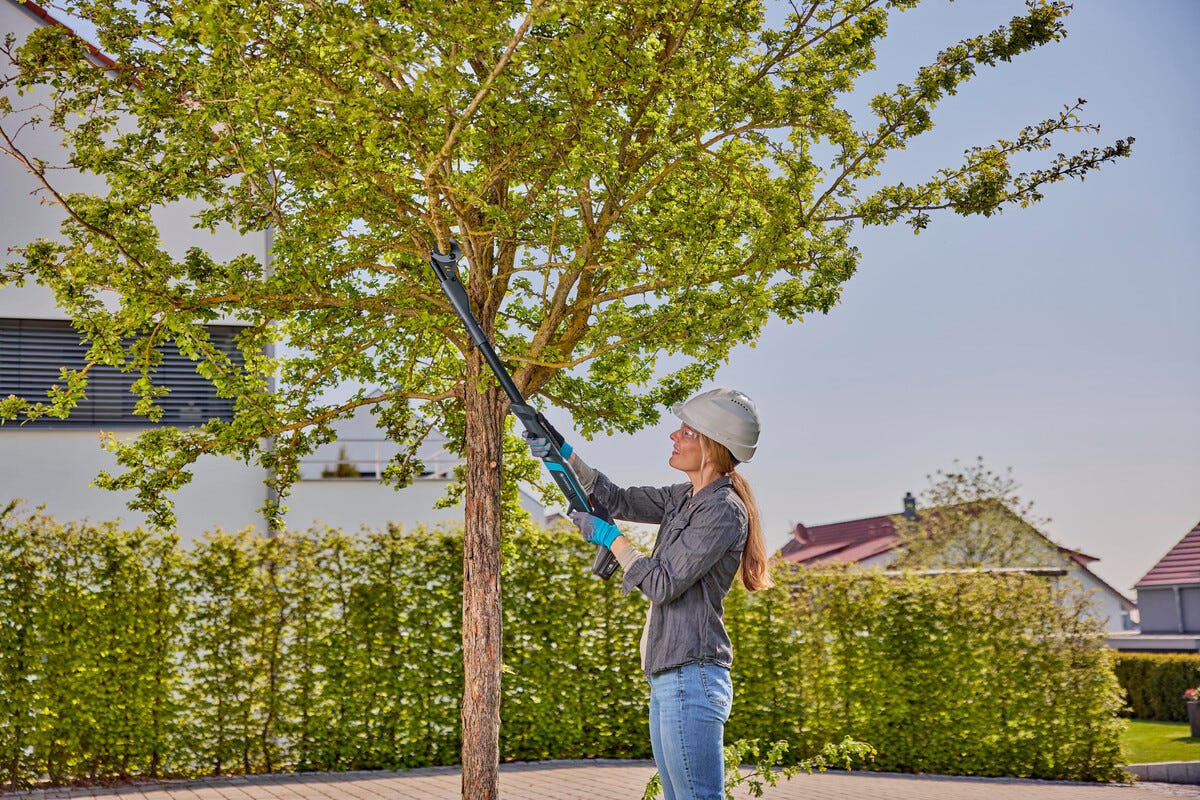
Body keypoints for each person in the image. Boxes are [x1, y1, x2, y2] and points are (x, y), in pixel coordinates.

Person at [525, 387, 774, 800]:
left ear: (713, 445)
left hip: (691, 675)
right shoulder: (684, 497)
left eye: (687, 432)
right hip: (669, 675)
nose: (674, 436)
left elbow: (662, 584)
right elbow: (616, 499)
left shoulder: (723, 510)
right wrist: (561, 450)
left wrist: (611, 538)